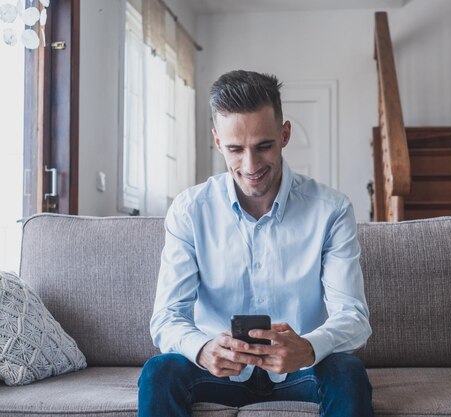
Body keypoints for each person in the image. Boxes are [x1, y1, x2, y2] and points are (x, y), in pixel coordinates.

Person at [137, 70, 373, 417]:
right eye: (235, 149)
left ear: (285, 134)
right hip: (217, 373)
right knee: (160, 372)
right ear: (218, 142)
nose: (250, 166)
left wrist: (308, 348)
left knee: (346, 371)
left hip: (299, 371)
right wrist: (202, 349)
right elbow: (167, 318)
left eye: (263, 146)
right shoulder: (190, 210)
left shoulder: (331, 210)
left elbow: (354, 318)